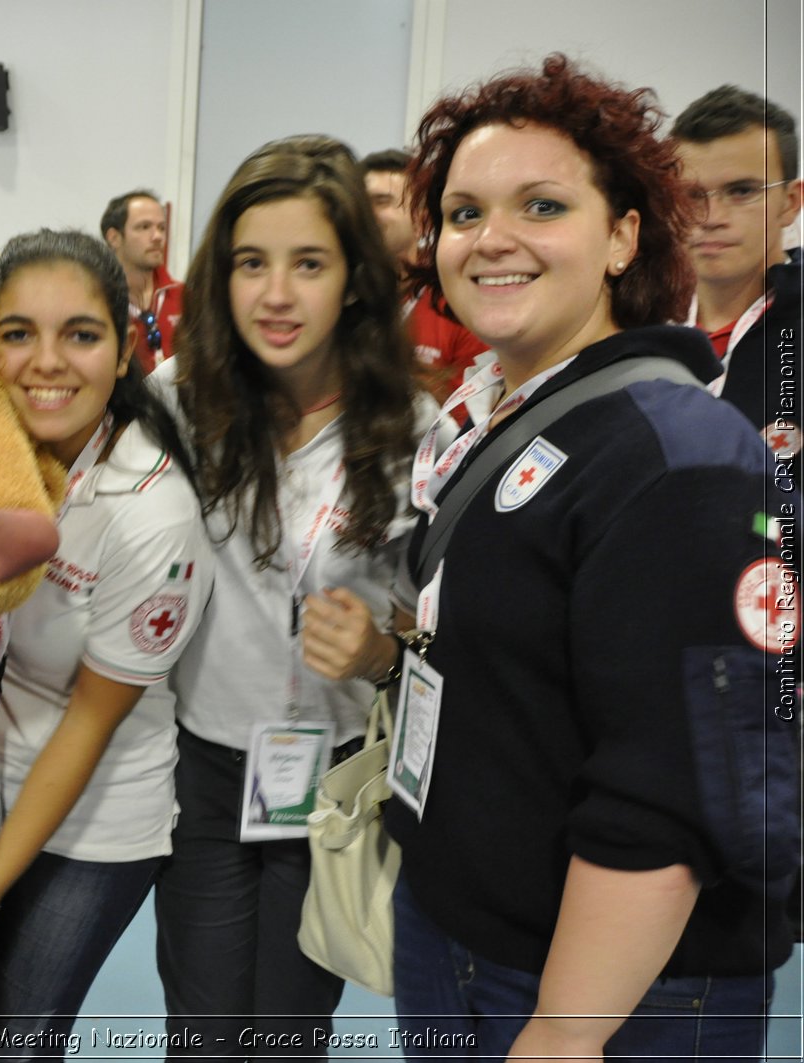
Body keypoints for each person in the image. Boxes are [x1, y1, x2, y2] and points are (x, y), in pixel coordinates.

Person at [386, 55, 798, 1060]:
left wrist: (563, 1035)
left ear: (621, 235)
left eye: (540, 204)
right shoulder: (513, 416)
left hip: (605, 992)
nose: (492, 240)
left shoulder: (674, 455)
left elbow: (673, 788)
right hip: (468, 934)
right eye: (463, 211)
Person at [149, 135, 434, 1058]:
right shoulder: (178, 404)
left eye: (307, 263)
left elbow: (444, 631)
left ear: (354, 276)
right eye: (250, 264)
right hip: (204, 767)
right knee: (200, 1026)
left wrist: (382, 654)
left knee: (288, 1031)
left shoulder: (414, 428)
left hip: (333, 772)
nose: (276, 294)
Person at [0, 230, 211, 1058]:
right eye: (17, 334)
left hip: (91, 823)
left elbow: (88, 723)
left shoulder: (151, 512)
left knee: (17, 1036)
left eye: (81, 334)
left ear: (122, 352)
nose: (48, 361)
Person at [671, 87, 802, 443]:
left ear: (790, 202)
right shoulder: (629, 326)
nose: (710, 218)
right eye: (691, 195)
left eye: (742, 191)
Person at [359, 149, 486, 399]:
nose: (365, 214)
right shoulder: (338, 297)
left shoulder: (457, 303)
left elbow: (470, 422)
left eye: (381, 201)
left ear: (421, 221)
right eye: (360, 204)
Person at [101, 190, 184, 373]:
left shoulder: (187, 297)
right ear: (114, 238)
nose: (158, 237)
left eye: (162, 228)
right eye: (144, 227)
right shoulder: (98, 299)